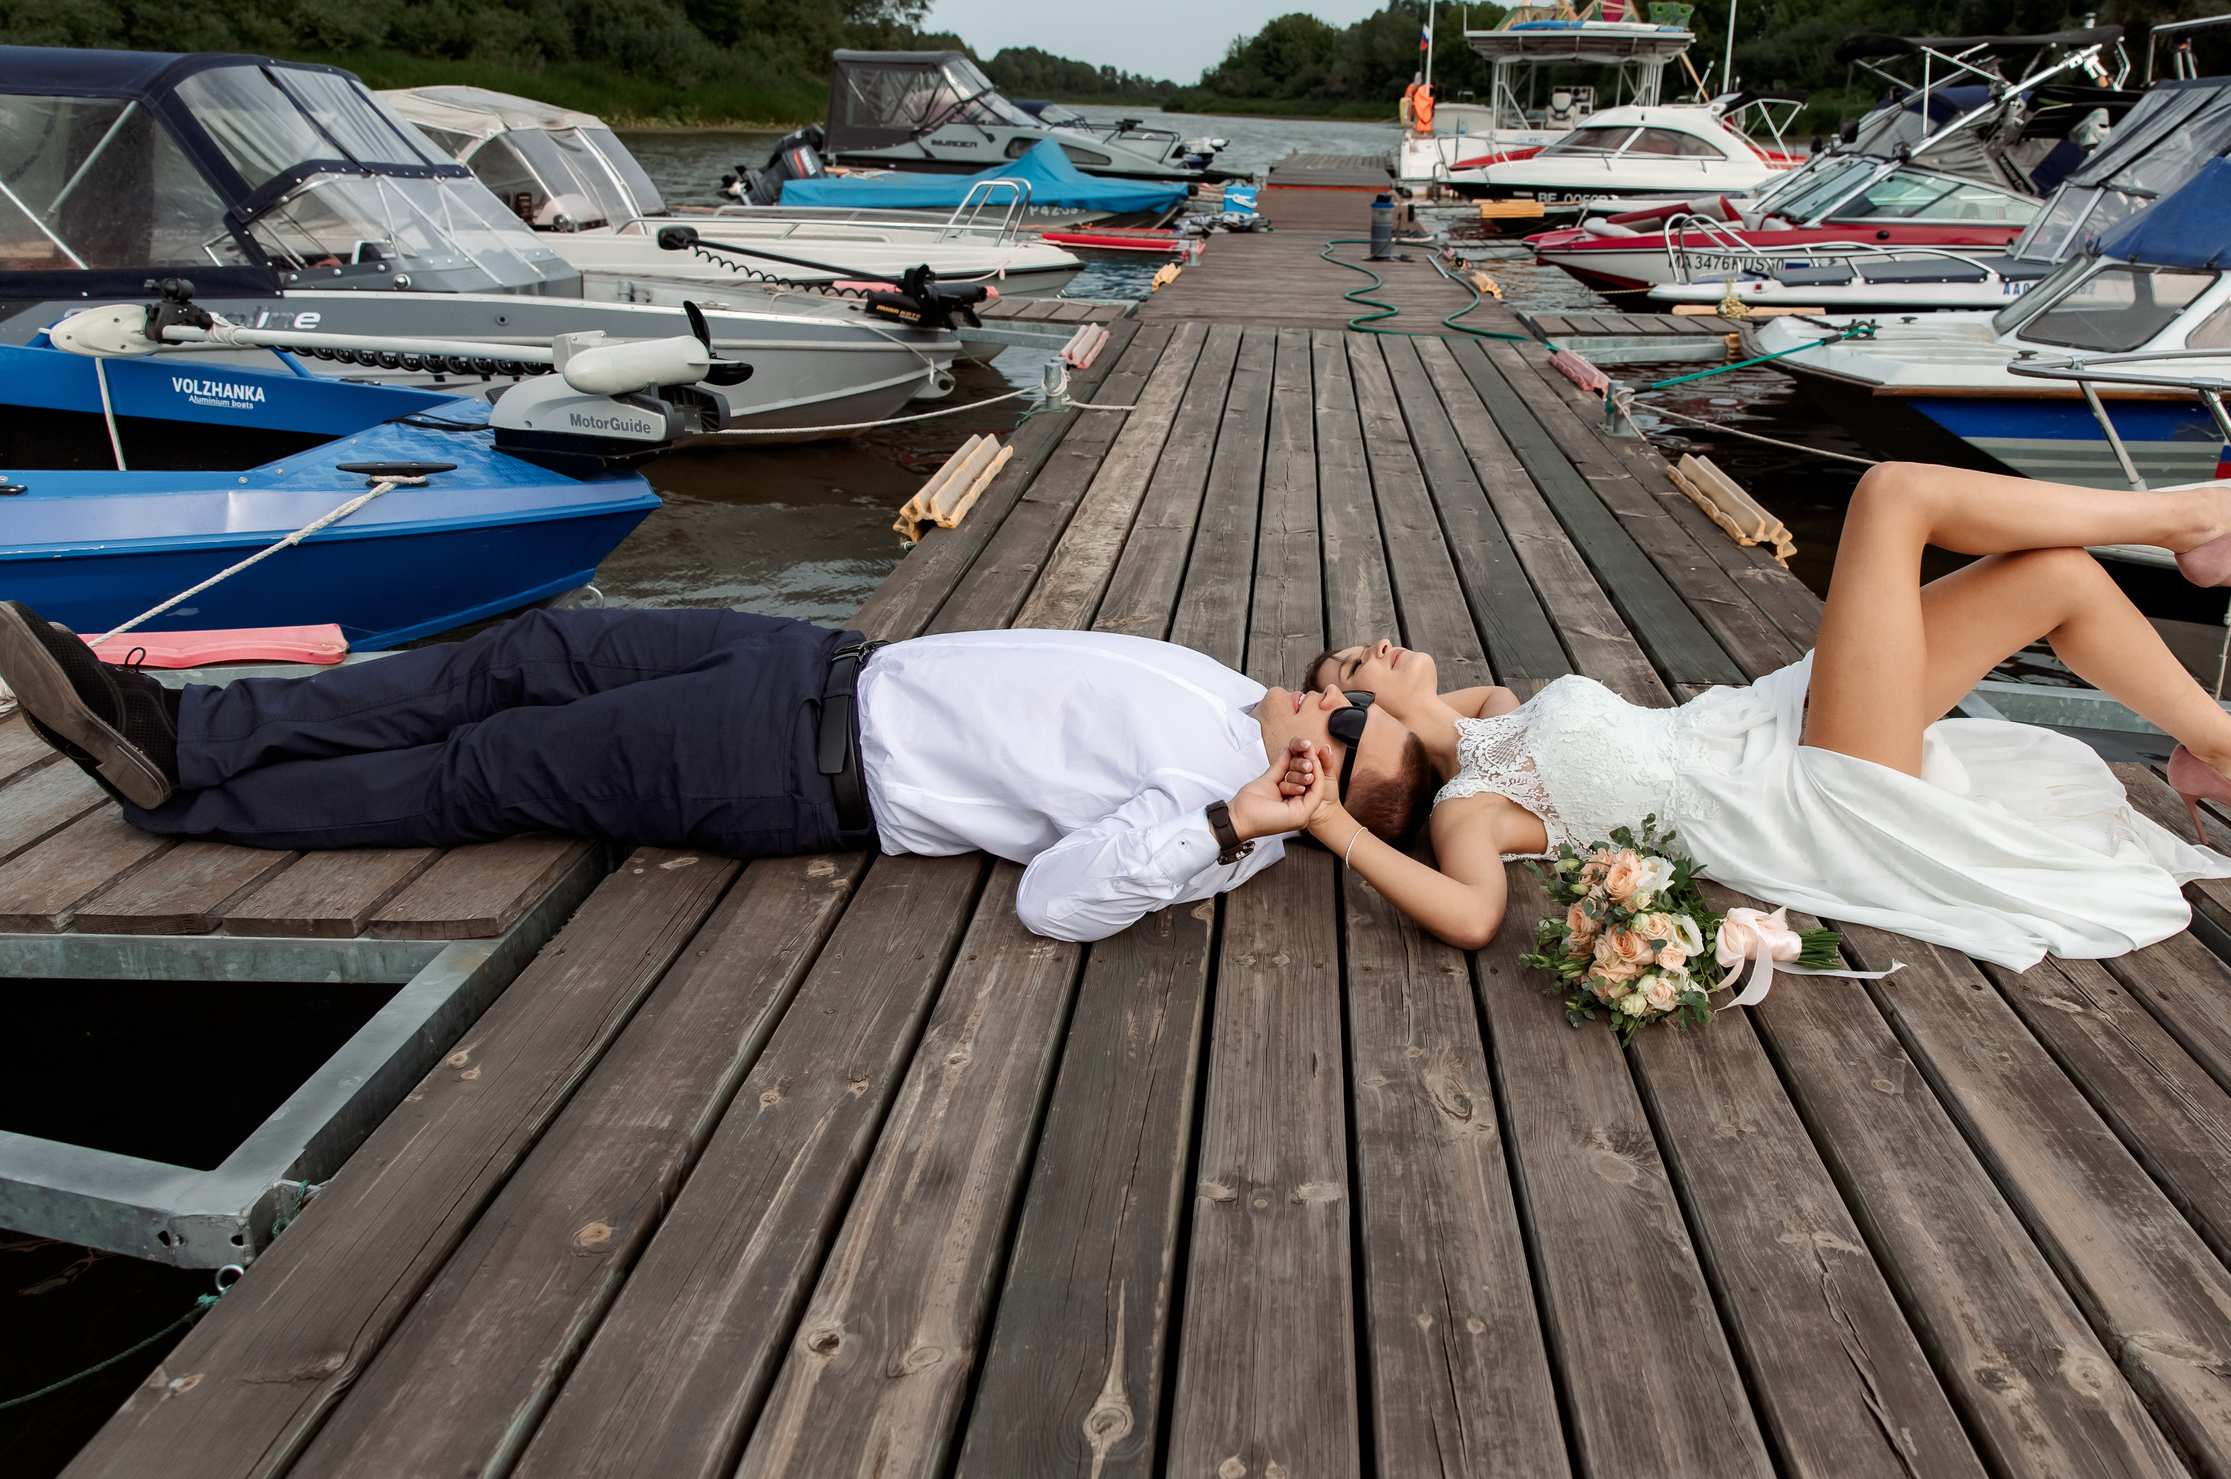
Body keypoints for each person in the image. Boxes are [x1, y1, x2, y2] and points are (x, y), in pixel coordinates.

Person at [1285, 456, 2231, 971]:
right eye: (1350, 680)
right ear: (1359, 747)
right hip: (1800, 787)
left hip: (1772, 719)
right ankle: (2201, 515)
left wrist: (1368, 715)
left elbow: (1439, 716)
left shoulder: (1479, 724)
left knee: (2057, 577)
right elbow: (1471, 917)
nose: (1371, 649)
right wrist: (1330, 814)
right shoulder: (1469, 814)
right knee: (1891, 496)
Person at [0, 609, 1432, 944]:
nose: (1365, 669)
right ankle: (189, 728)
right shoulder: (1230, 684)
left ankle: (185, 791)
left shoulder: (1225, 820)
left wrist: (1236, 817)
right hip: (804, 660)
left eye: (1376, 704)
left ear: (1335, 783)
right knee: (512, 656)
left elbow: (1054, 903)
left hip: (788, 762)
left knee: (488, 768)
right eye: (1378, 673)